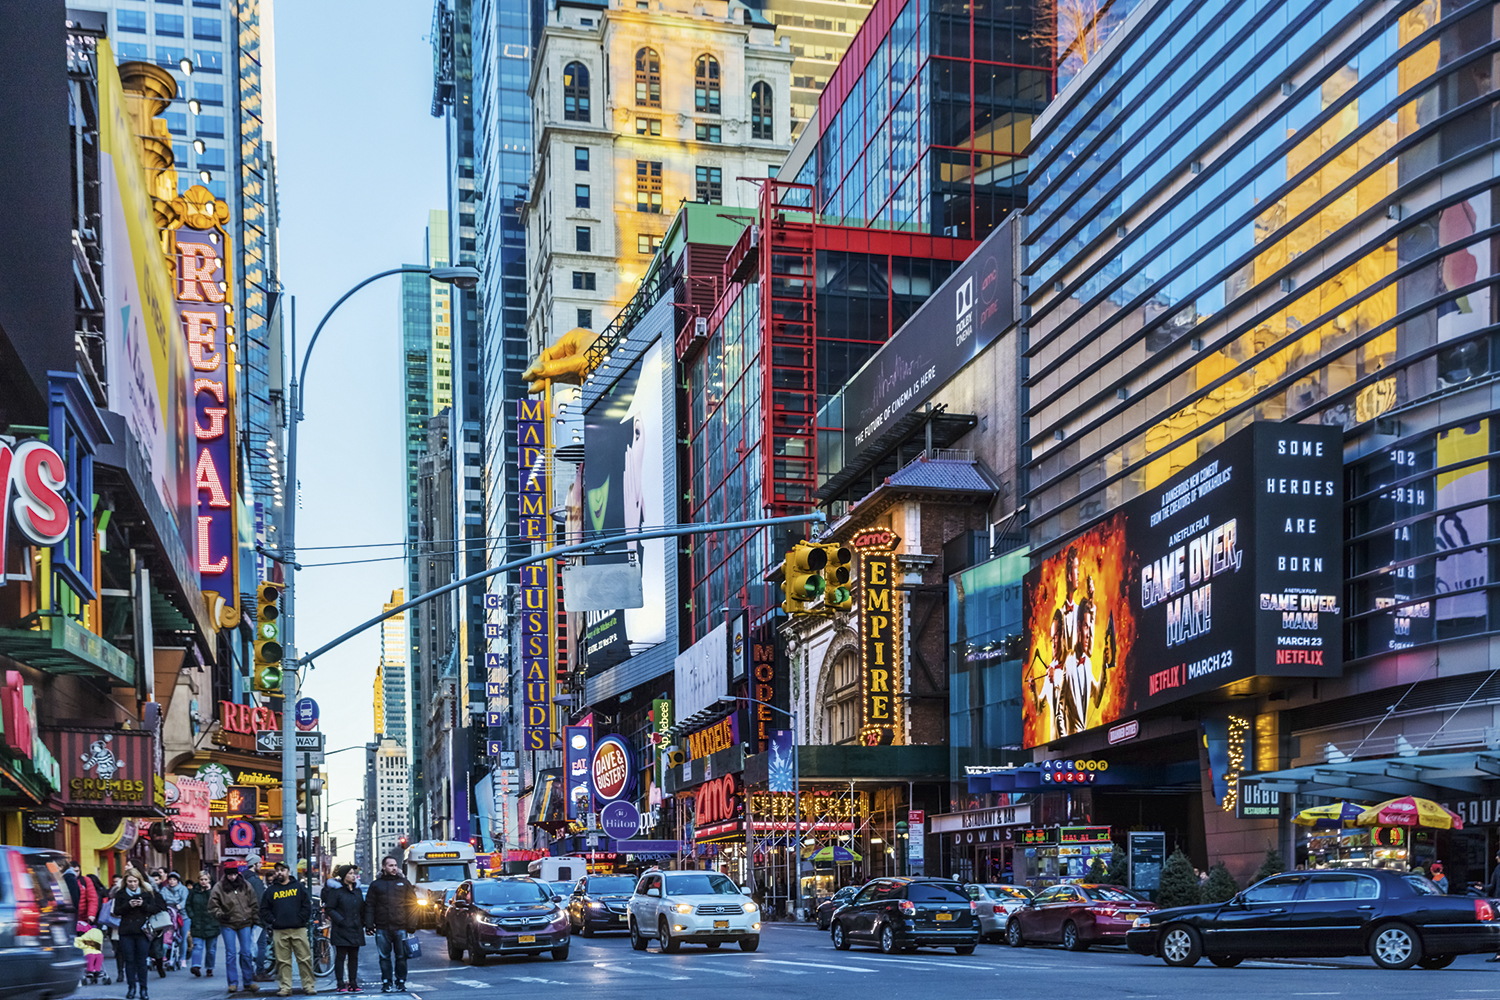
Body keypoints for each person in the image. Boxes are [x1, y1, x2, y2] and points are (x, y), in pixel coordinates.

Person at [261, 861, 315, 997]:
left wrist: (300, 919)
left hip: (298, 929)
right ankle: (285, 987)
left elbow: (307, 906)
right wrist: (273, 921)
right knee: (283, 961)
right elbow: (264, 909)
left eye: (282, 870)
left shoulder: (298, 887)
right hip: (279, 930)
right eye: (277, 870)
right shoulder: (271, 890)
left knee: (304, 959)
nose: (279, 872)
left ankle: (308, 986)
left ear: (288, 872)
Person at [362, 857, 416, 993]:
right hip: (382, 927)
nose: (394, 868)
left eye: (395, 865)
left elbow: (413, 905)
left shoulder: (404, 883)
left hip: (401, 926)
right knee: (384, 957)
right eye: (390, 865)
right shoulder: (376, 885)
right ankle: (386, 982)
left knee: (401, 957)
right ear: (384, 867)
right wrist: (369, 925)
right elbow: (369, 906)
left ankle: (401, 981)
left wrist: (412, 924)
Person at [112, 868, 166, 1000]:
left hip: (142, 931)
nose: (132, 884)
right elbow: (116, 911)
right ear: (126, 882)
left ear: (139, 881)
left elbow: (155, 909)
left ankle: (143, 989)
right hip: (126, 931)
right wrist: (128, 905)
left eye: (135, 881)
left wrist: (143, 905)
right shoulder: (120, 894)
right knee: (129, 961)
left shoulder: (147, 893)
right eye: (130, 881)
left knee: (141, 961)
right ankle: (131, 988)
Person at [210, 860, 262, 995]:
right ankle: (233, 983)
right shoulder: (219, 887)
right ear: (226, 874)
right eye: (229, 875)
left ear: (237, 873)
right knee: (231, 954)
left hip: (245, 922)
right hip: (228, 923)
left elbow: (253, 902)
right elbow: (212, 906)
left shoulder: (245, 885)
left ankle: (248, 981)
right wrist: (221, 915)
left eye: (234, 874)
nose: (232, 877)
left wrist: (254, 918)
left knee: (246, 953)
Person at [322, 865, 366, 993]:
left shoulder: (357, 890)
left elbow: (362, 908)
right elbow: (329, 908)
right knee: (340, 957)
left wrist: (364, 922)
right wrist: (340, 920)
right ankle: (340, 983)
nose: (354, 875)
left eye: (354, 873)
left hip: (355, 927)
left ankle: (353, 983)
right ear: (344, 875)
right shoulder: (336, 891)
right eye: (351, 873)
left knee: (354, 957)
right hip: (341, 928)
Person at [244, 856, 274, 981]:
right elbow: (260, 900)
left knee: (248, 945)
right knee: (260, 944)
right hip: (257, 918)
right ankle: (260, 971)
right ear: (254, 864)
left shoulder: (243, 877)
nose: (261, 865)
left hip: (245, 917)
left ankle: (248, 971)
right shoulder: (255, 880)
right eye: (259, 863)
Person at [186, 870, 221, 978]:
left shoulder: (214, 891)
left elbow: (217, 904)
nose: (203, 882)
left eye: (205, 879)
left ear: (209, 880)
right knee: (197, 946)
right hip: (197, 923)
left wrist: (208, 891)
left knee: (211, 949)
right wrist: (192, 915)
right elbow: (188, 905)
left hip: (211, 923)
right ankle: (196, 966)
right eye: (201, 879)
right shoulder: (193, 891)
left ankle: (209, 968)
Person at [160, 872, 189, 970]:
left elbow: (185, 900)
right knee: (168, 936)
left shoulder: (183, 889)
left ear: (178, 881)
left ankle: (183, 958)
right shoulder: (164, 889)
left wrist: (179, 906)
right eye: (170, 879)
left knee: (183, 938)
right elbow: (162, 900)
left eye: (174, 880)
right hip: (169, 915)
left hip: (183, 915)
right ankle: (167, 957)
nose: (172, 881)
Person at [77, 919, 105, 984]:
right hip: (85, 952)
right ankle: (90, 970)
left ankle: (97, 970)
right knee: (91, 956)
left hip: (92, 950)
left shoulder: (89, 937)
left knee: (99, 956)